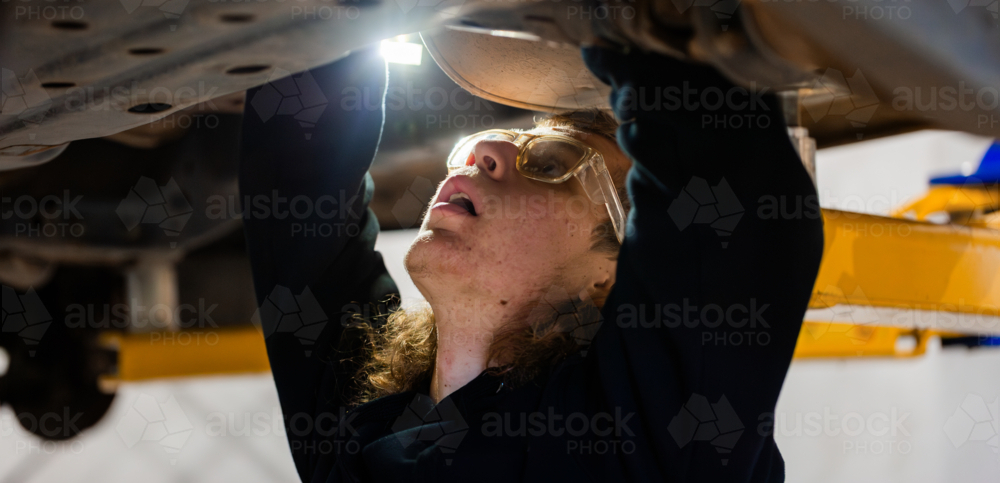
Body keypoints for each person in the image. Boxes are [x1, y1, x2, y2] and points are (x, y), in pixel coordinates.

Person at [239, 40, 824, 482]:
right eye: (503, 144)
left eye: (550, 165)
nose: (484, 151)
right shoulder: (374, 417)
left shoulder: (638, 440)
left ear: (609, 277)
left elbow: (738, 215)